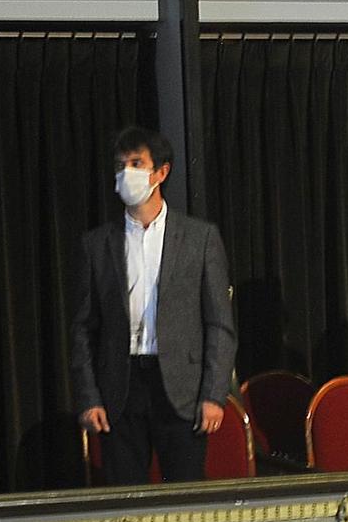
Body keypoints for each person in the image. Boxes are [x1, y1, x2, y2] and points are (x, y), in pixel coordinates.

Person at [71, 125, 238, 486]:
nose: (126, 173)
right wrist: (88, 397)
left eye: (136, 163)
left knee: (186, 498)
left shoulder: (200, 238)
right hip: (121, 387)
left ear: (161, 172)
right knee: (125, 501)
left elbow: (219, 324)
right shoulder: (97, 244)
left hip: (181, 388)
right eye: (120, 165)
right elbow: (84, 329)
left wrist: (213, 395)